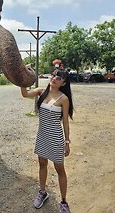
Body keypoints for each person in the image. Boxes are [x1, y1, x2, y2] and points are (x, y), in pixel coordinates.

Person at [20, 69, 74, 213]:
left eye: (59, 77)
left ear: (63, 83)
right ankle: (42, 192)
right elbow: (25, 94)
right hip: (42, 136)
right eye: (54, 75)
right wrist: (21, 78)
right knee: (42, 164)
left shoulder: (63, 99)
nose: (55, 78)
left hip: (56, 138)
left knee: (59, 169)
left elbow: (65, 123)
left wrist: (67, 142)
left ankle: (63, 201)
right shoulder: (41, 92)